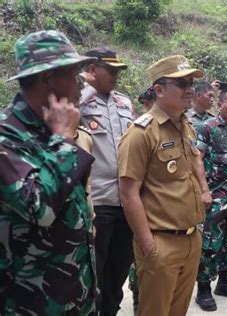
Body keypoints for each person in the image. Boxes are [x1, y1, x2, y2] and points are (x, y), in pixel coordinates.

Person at [0, 30, 97, 315]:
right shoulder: (8, 136)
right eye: (74, 74)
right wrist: (65, 140)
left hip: (74, 294)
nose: (81, 84)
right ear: (47, 78)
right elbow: (40, 208)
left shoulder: (50, 129)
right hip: (31, 304)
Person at [118, 55, 210, 315]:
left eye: (191, 82)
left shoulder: (187, 126)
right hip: (161, 241)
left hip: (191, 237)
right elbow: (128, 192)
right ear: (159, 90)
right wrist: (148, 244)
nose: (189, 89)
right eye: (180, 84)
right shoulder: (141, 133)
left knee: (177, 311)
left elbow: (192, 171)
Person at [80, 47, 134, 315]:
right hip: (98, 202)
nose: (115, 75)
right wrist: (84, 86)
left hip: (127, 202)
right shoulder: (77, 100)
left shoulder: (124, 103)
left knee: (119, 269)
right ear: (91, 69)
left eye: (118, 70)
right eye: (110, 70)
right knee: (94, 272)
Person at [194, 87, 227, 311]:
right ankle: (204, 289)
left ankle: (225, 282)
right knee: (209, 244)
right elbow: (197, 159)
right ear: (220, 104)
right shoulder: (207, 128)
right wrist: (204, 191)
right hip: (216, 197)